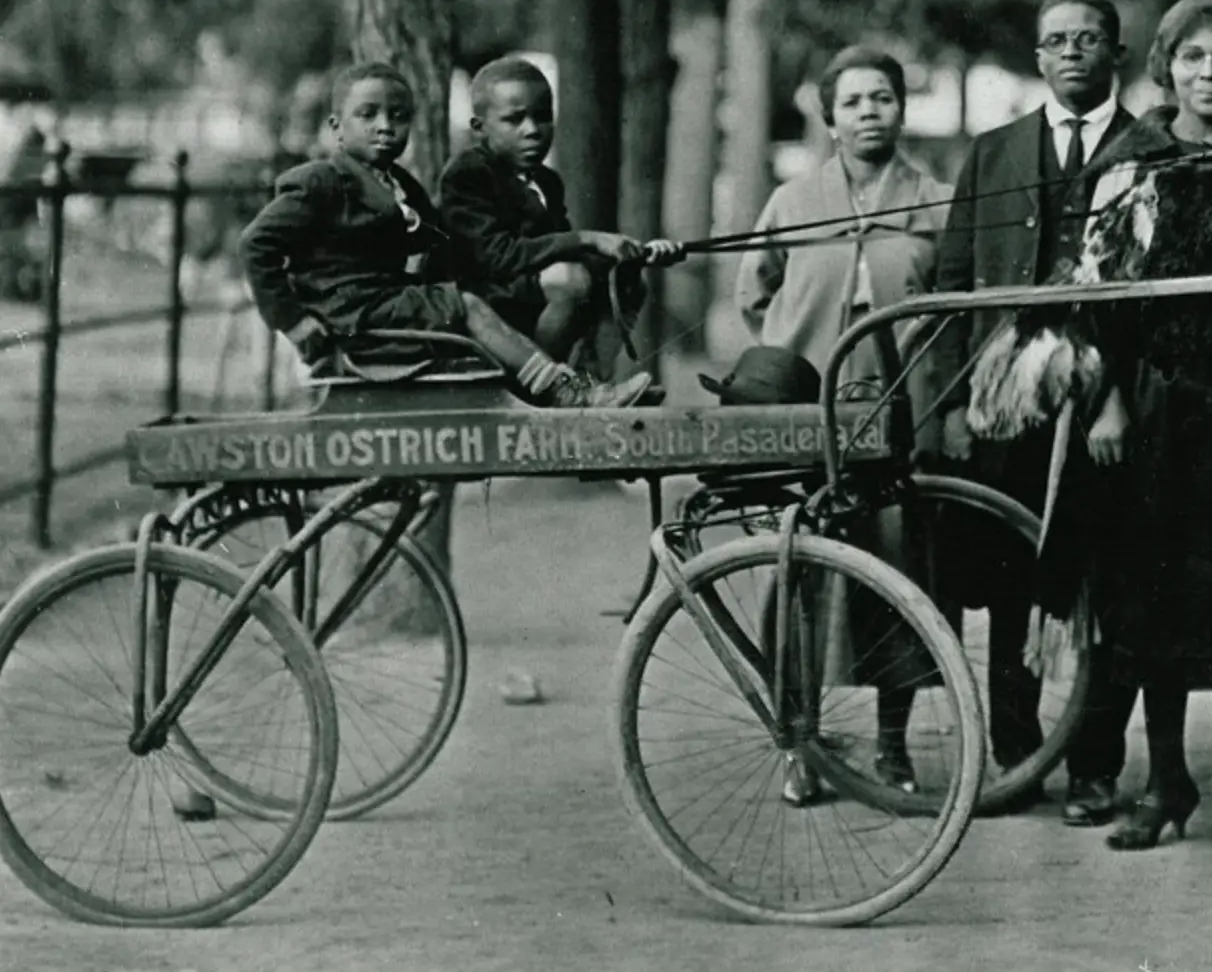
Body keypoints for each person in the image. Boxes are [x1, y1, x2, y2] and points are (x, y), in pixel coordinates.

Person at [1080, 0, 1212, 859]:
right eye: (1194, 57)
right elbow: (1095, 285)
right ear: (1166, 66)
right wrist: (1109, 399)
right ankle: (1167, 781)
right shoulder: (1132, 156)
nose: (1211, 73)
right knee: (1150, 601)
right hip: (1153, 405)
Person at [930, 0, 1137, 822]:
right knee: (1011, 580)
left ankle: (1093, 767)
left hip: (1111, 404)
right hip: (1005, 402)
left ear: (1116, 54)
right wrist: (951, 399)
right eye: (1058, 41)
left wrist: (1119, 392)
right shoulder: (995, 151)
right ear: (1038, 57)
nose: (1074, 52)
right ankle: (1017, 759)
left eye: (1091, 38)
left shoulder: (1150, 146)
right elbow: (949, 280)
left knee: (1105, 583)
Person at [735, 45, 951, 801]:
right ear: (830, 120)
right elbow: (754, 294)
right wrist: (799, 350)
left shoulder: (935, 201)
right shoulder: (793, 203)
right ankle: (801, 743)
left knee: (900, 576)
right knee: (804, 579)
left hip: (902, 412)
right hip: (810, 416)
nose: (869, 113)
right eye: (853, 102)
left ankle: (894, 747)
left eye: (882, 98)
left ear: (901, 109)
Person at [240, 61, 651, 409]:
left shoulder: (401, 186)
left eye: (398, 117)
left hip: (394, 304)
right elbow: (256, 245)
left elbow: (441, 245)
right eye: (368, 115)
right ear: (337, 126)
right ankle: (563, 390)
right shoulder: (321, 181)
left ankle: (579, 378)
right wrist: (294, 323)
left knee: (471, 300)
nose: (385, 127)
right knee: (466, 306)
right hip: (354, 313)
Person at [440, 57, 682, 372]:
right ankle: (542, 388)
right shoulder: (468, 173)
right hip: (484, 306)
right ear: (479, 128)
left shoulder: (546, 181)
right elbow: (498, 256)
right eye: (514, 120)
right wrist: (587, 239)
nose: (532, 131)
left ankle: (591, 375)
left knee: (624, 280)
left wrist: (637, 255)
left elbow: (566, 249)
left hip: (528, 297)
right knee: (569, 281)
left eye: (542, 117)